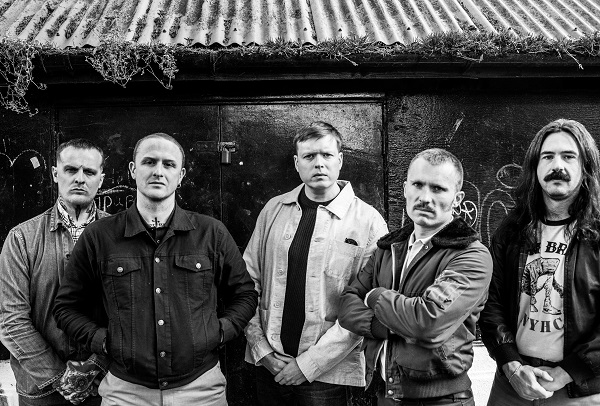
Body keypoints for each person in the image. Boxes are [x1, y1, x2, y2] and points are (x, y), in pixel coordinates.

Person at [53, 133, 258, 406]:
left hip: (201, 389)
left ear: (180, 175)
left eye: (169, 164)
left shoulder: (211, 233)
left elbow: (245, 294)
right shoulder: (99, 236)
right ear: (133, 169)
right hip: (125, 392)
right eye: (149, 162)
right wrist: (103, 341)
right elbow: (66, 307)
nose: (158, 171)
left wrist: (219, 332)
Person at [243, 121, 388, 405]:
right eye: (309, 156)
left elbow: (366, 307)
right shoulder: (273, 210)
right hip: (269, 365)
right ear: (297, 163)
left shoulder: (369, 223)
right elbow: (248, 283)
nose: (319, 163)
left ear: (340, 160)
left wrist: (307, 365)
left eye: (326, 155)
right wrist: (262, 350)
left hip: (327, 375)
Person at [338, 148, 492, 406]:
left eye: (438, 188)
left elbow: (427, 322)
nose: (425, 197)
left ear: (457, 198)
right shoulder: (388, 248)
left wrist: (375, 295)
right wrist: (388, 325)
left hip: (442, 400)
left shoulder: (471, 255)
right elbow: (346, 306)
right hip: (386, 393)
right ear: (405, 188)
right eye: (418, 185)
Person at [480, 119, 600, 405]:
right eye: (547, 157)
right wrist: (511, 364)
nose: (557, 165)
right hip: (512, 383)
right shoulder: (511, 230)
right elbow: (490, 302)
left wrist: (568, 372)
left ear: (585, 167)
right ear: (535, 167)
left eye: (568, 156)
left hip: (578, 388)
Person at [0, 139, 107, 406]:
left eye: (89, 172)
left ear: (101, 179)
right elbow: (11, 320)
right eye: (71, 170)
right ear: (55, 174)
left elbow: (133, 314)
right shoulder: (22, 239)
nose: (80, 179)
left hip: (106, 385)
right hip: (42, 391)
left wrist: (97, 365)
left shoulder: (120, 236)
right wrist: (61, 377)